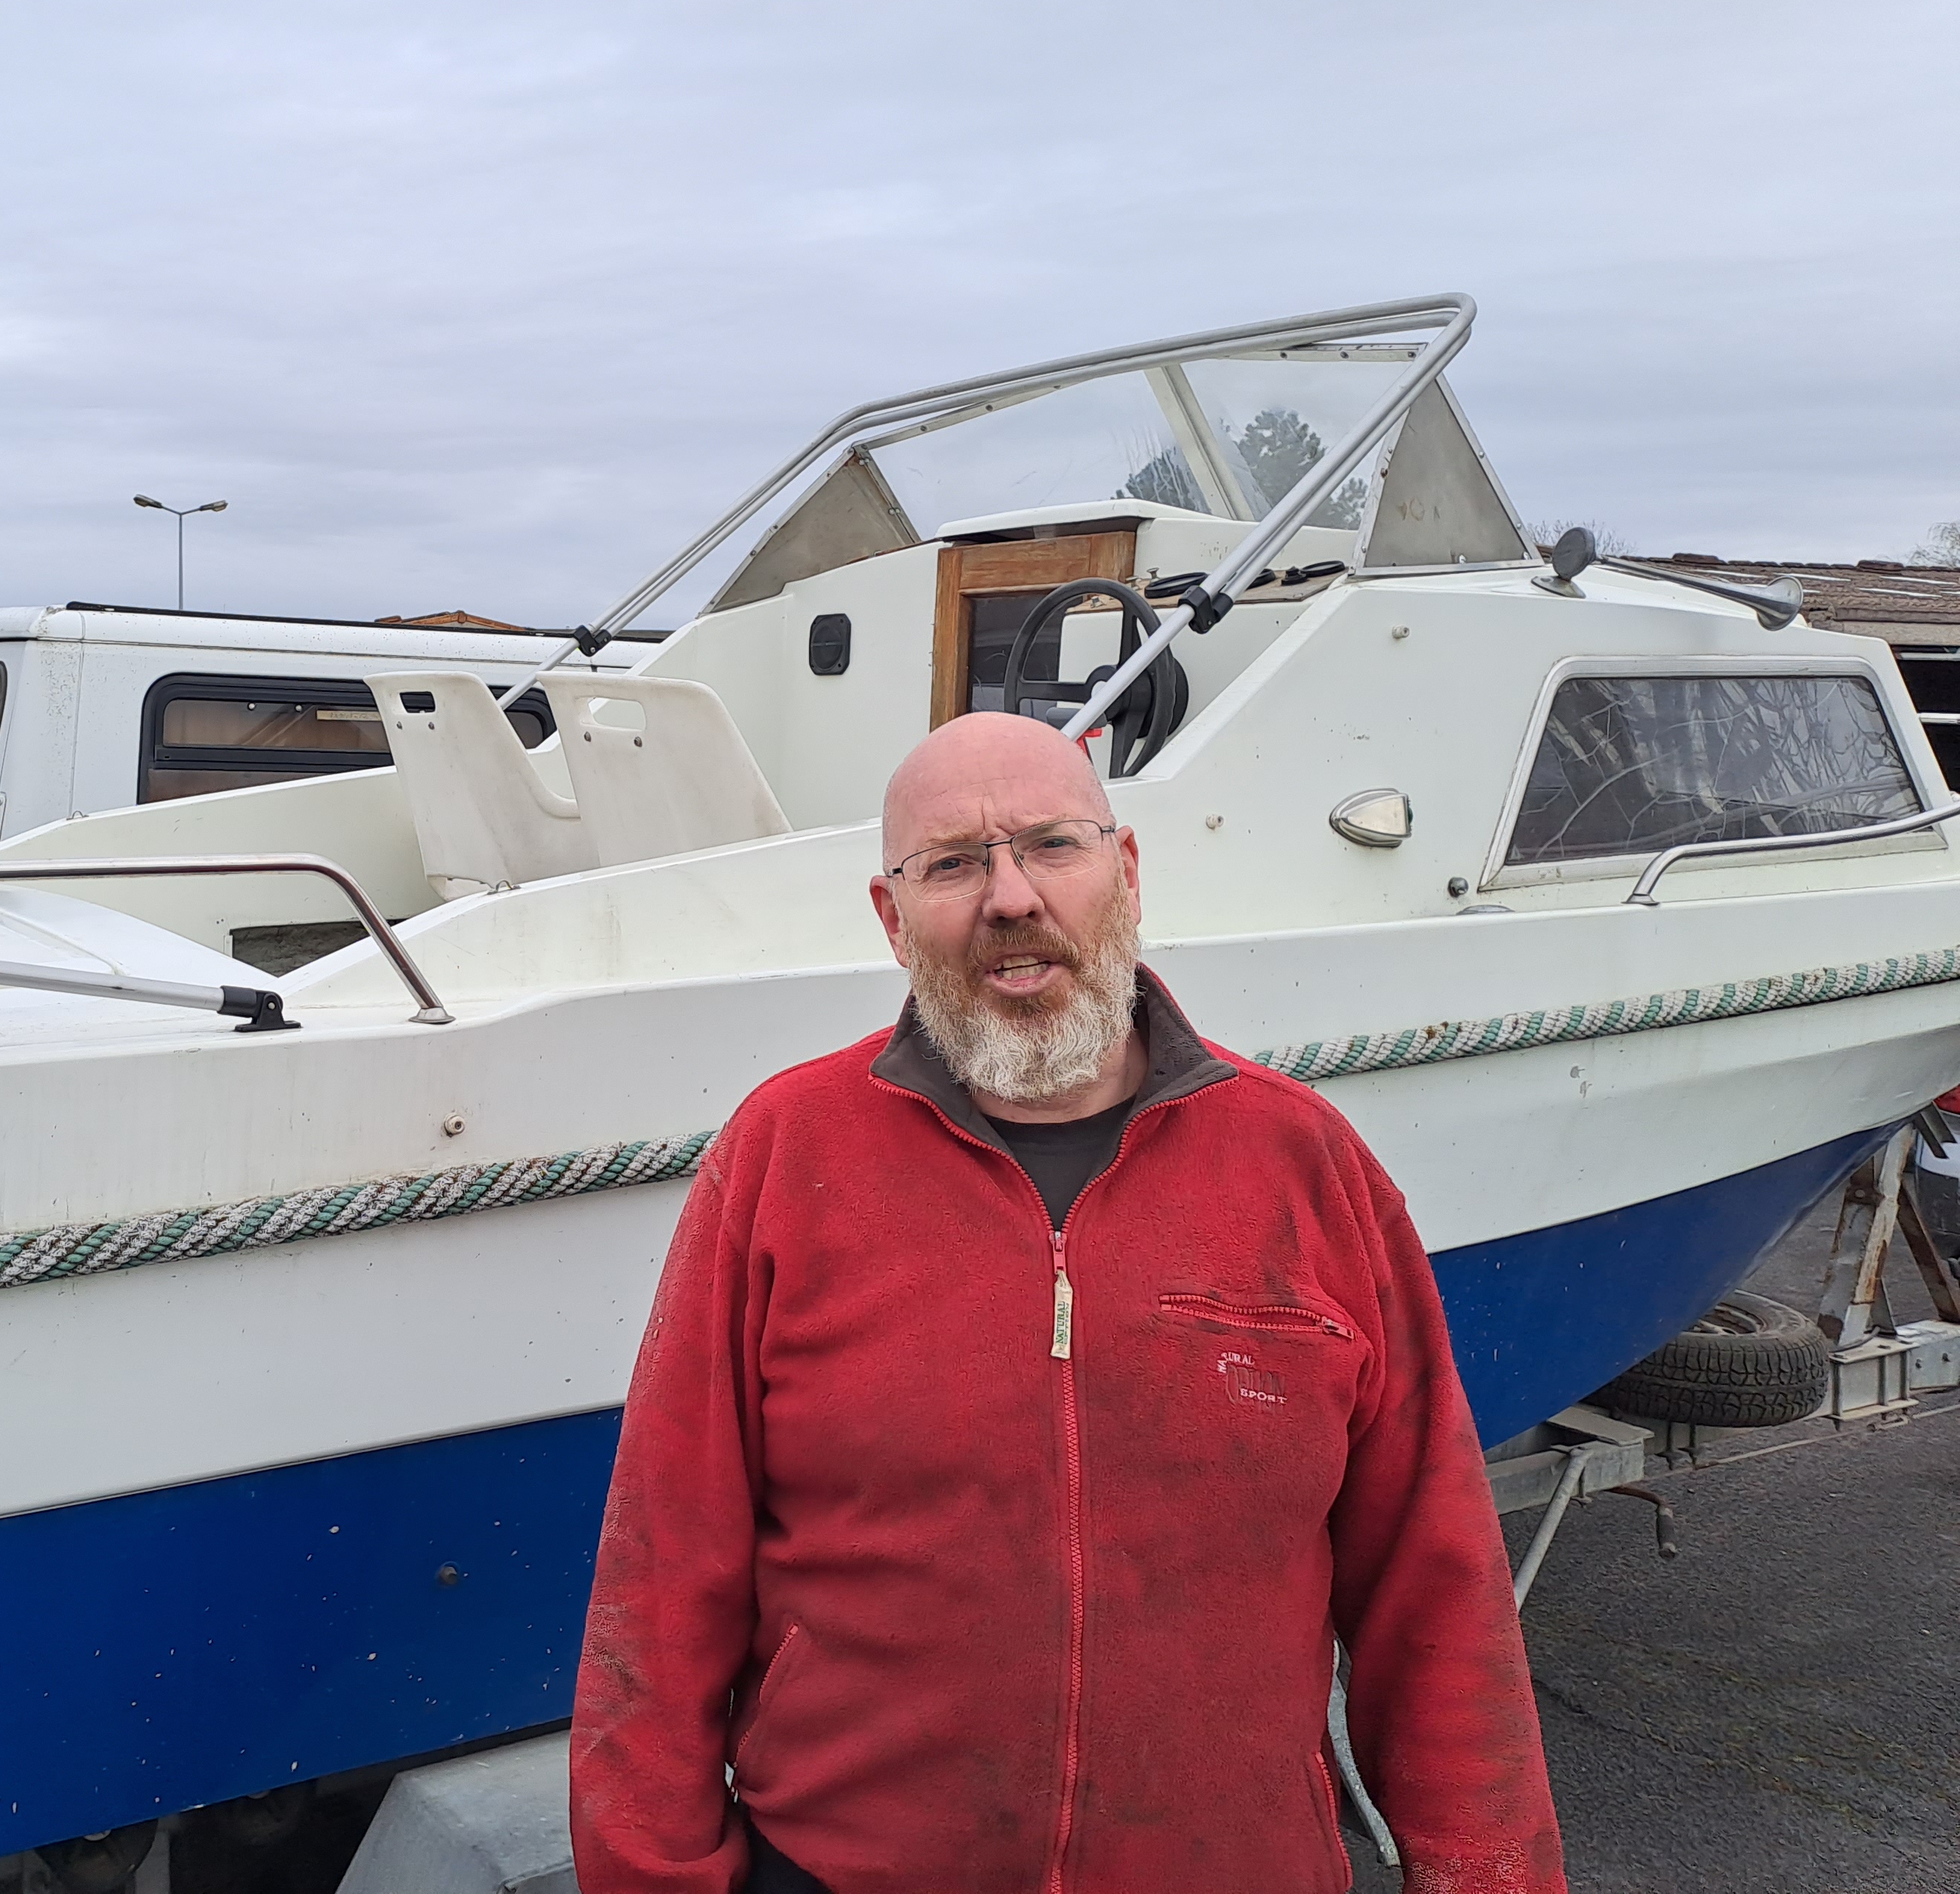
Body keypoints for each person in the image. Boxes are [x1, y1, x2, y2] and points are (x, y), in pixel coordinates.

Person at [567, 711, 1564, 1893]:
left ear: (1125, 871)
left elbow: (1432, 1572)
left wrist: (1487, 1872)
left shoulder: (1304, 1162)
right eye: (951, 864)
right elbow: (663, 1566)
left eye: (1051, 845)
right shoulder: (786, 1156)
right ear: (892, 920)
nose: (1009, 897)